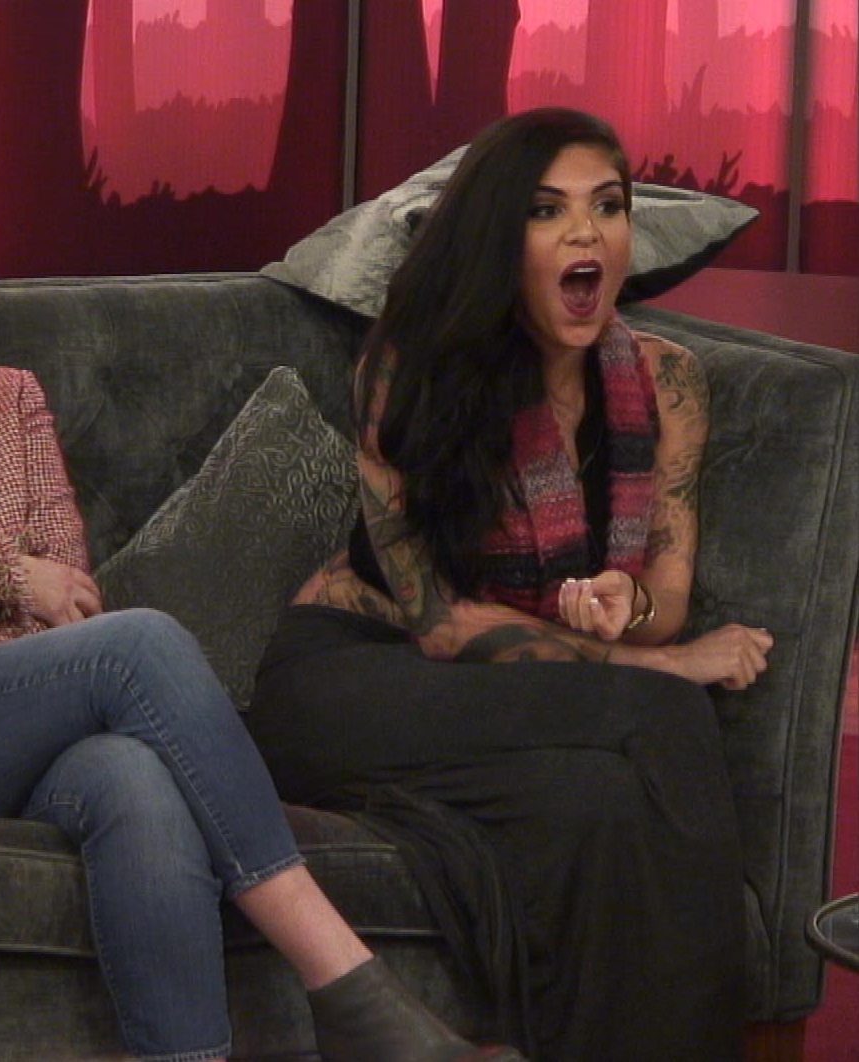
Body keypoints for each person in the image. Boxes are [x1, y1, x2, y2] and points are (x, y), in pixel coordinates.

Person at [0, 114, 516, 1062]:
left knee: (132, 775)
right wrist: (0, 574)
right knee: (139, 644)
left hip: (9, 733)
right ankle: (351, 988)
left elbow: (70, 611)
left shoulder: (7, 401)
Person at [245, 107, 768, 1061]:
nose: (584, 233)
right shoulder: (409, 370)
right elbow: (441, 626)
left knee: (597, 808)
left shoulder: (670, 383)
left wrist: (632, 609)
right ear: (497, 238)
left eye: (607, 206)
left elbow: (666, 599)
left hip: (512, 703)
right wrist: (662, 667)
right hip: (355, 676)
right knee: (664, 713)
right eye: (545, 210)